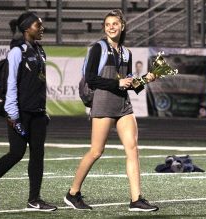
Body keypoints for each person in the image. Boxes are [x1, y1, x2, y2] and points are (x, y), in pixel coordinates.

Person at [64, 9, 159, 212]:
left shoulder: (127, 52)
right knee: (96, 151)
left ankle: (136, 200)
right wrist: (117, 83)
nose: (111, 27)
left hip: (123, 105)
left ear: (122, 26)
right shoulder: (98, 48)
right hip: (104, 102)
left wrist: (146, 80)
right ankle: (72, 193)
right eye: (107, 24)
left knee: (132, 148)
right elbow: (90, 78)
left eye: (115, 23)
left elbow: (130, 84)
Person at [0, 12, 57, 212]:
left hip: (37, 113)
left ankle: (34, 199)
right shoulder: (16, 52)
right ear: (27, 29)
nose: (42, 29)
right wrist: (12, 115)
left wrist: (43, 110)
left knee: (38, 155)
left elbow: (38, 84)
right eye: (39, 26)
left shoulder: (40, 50)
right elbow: (11, 85)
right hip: (20, 113)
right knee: (16, 153)